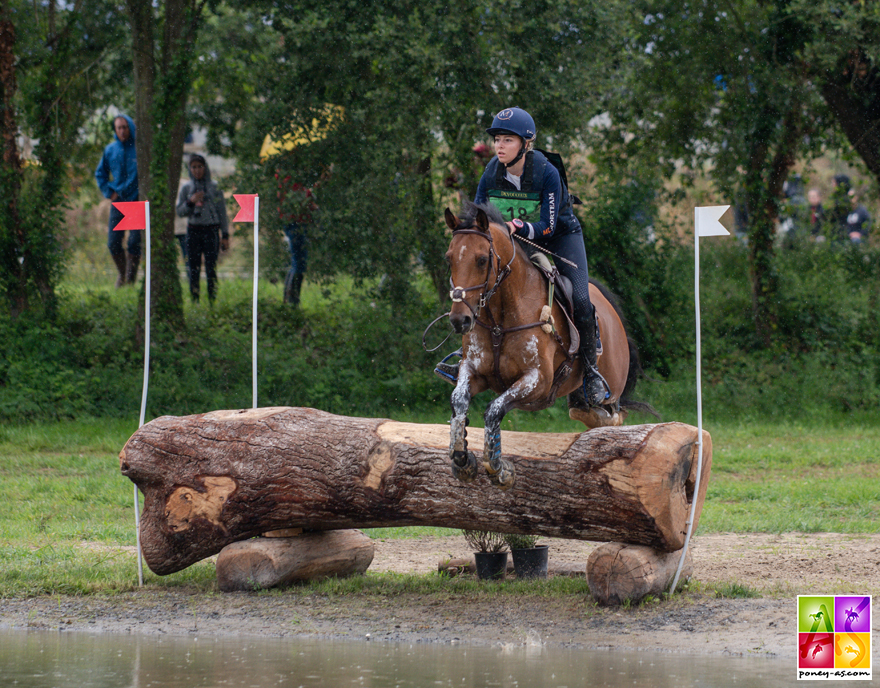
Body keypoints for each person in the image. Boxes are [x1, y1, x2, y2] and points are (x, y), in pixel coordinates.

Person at [435, 106, 609, 407]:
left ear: (525, 144)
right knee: (481, 283)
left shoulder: (546, 172)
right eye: (497, 140)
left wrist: (519, 226)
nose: (499, 147)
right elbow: (476, 218)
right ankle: (467, 357)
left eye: (507, 140)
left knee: (580, 297)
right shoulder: (491, 172)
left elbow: (548, 225)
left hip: (558, 237)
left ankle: (591, 371)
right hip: (512, 242)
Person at [94, 114, 140, 287]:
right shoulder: (110, 149)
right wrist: (109, 192)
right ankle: (122, 275)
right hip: (118, 200)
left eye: (125, 127)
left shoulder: (139, 147)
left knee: (135, 242)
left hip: (136, 200)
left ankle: (131, 279)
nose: (122, 131)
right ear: (115, 129)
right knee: (113, 243)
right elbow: (100, 174)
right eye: (119, 127)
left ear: (130, 128)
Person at [176, 154, 229, 303]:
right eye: (194, 167)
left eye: (200, 167)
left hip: (211, 230)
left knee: (211, 267)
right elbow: (180, 211)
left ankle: (212, 299)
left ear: (205, 168)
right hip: (193, 230)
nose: (197, 170)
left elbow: (222, 212)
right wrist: (191, 202)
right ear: (189, 169)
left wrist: (225, 235)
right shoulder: (186, 188)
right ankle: (195, 299)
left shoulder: (215, 187)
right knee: (193, 267)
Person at [276, 171, 318, 306]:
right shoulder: (288, 176)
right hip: (294, 222)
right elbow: (298, 198)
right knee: (299, 262)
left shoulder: (293, 175)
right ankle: (292, 301)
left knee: (298, 261)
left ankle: (290, 299)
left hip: (299, 222)